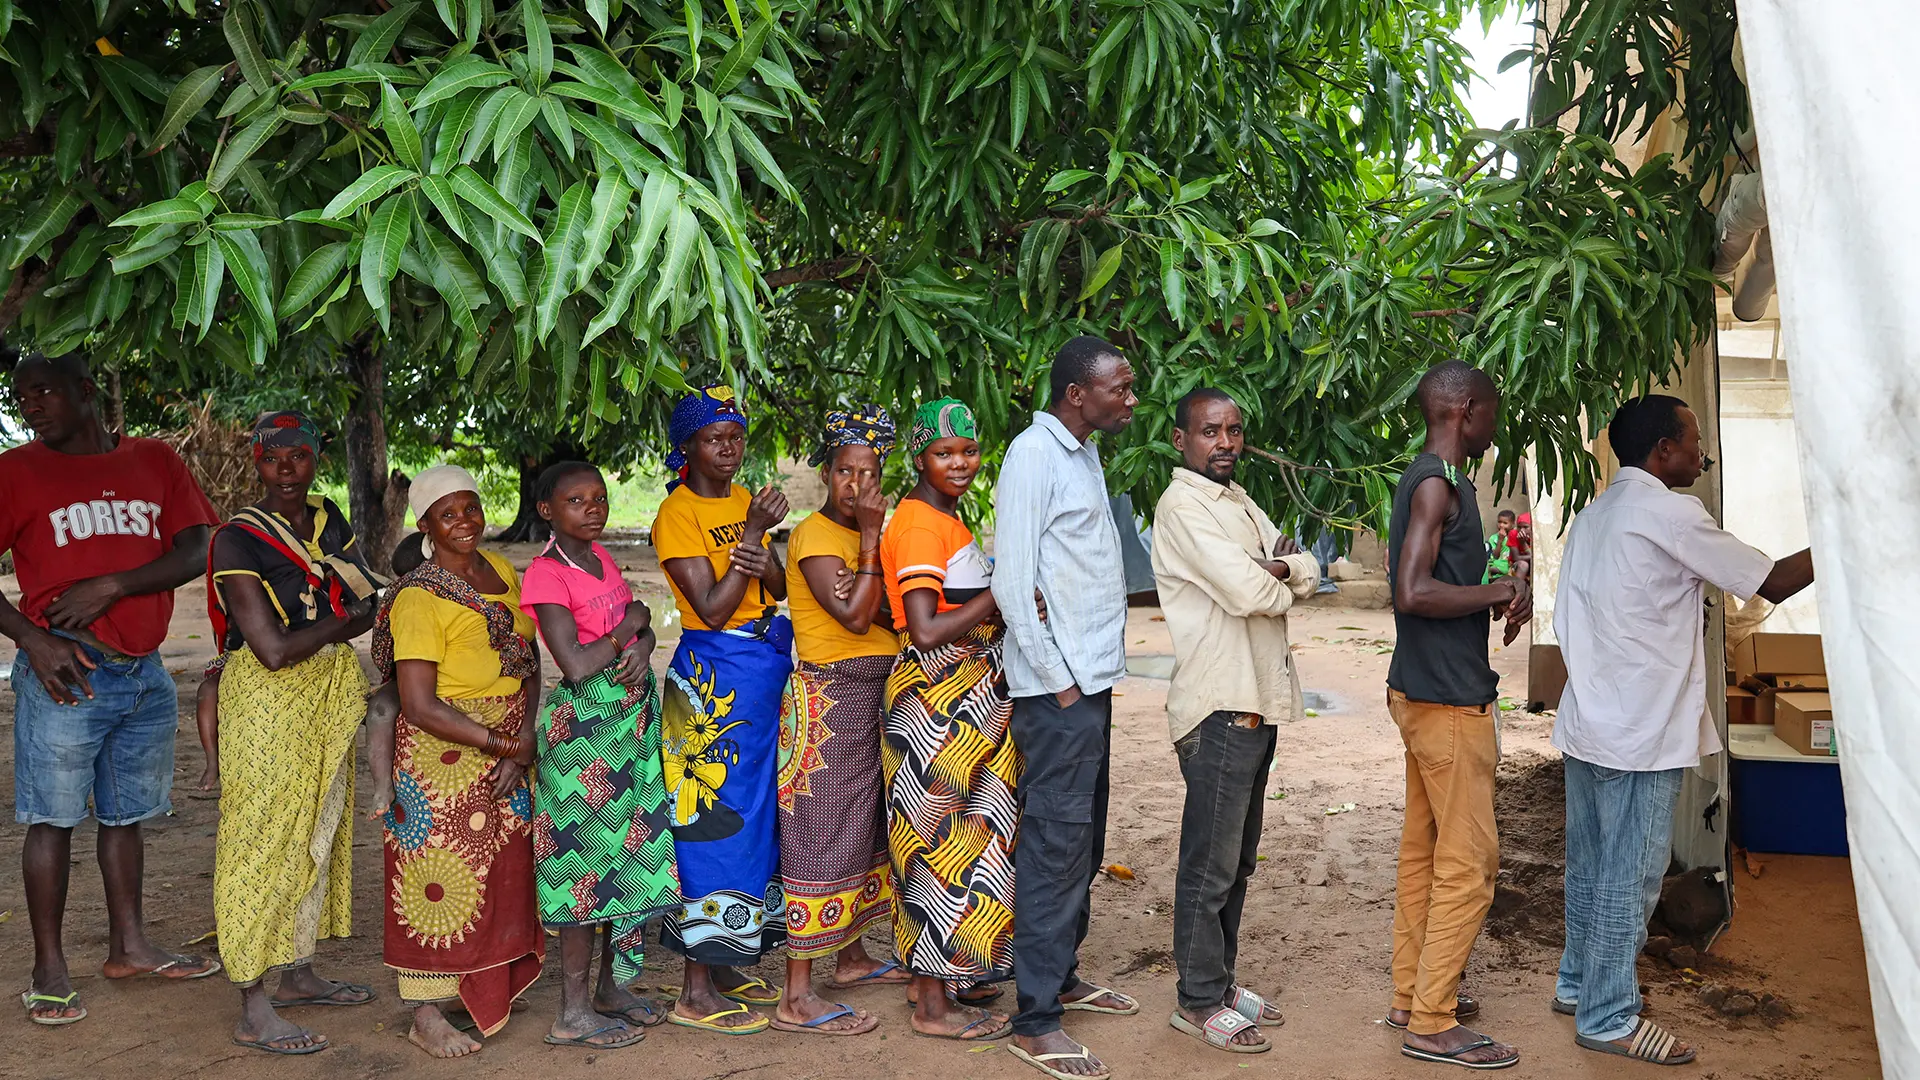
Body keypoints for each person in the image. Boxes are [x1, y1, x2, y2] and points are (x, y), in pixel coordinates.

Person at [1552, 396, 1813, 1066]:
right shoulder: (1669, 514)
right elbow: (1773, 582)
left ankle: (1580, 984)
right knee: (1631, 877)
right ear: (1662, 451)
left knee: (1591, 866)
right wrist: (1848, 533)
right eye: (1694, 442)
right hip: (1641, 731)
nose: (1703, 454)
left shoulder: (1593, 516)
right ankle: (1609, 1017)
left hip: (1591, 722)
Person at [0, 352, 223, 1027]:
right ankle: (49, 969)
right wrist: (32, 640)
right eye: (20, 395)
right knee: (53, 818)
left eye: (43, 391)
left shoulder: (153, 461)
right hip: (65, 671)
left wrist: (117, 584)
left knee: (128, 815)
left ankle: (128, 947)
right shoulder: (14, 473)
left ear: (86, 391)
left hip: (143, 671)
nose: (30, 405)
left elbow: (198, 545)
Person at [206, 412, 387, 1054]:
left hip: (329, 692)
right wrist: (349, 623)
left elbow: (368, 590)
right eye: (271, 458)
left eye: (299, 457)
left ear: (316, 460)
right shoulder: (237, 539)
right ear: (255, 463)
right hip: (269, 699)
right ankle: (254, 1002)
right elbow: (273, 649)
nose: (286, 470)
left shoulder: (327, 517)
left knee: (318, 825)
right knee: (260, 841)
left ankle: (297, 972)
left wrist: (361, 615)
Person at [1149, 389, 1320, 1054]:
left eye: (1234, 430)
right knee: (1210, 864)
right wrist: (1279, 572)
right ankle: (1195, 1001)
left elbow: (1301, 562)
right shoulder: (1182, 506)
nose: (1224, 443)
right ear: (1181, 440)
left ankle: (1218, 984)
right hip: (1219, 706)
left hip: (1255, 700)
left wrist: (1281, 566)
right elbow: (1251, 591)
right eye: (1209, 432)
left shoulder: (1238, 499)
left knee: (1238, 861)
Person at [992, 336, 1140, 1080]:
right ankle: (1035, 1019)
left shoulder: (1082, 455)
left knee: (1082, 840)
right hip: (1059, 694)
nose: (1131, 398)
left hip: (1091, 682)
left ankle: (1064, 975)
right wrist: (1060, 683)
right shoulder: (1032, 455)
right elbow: (1014, 582)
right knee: (1054, 846)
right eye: (1120, 387)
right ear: (1078, 394)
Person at [1383, 360, 1530, 1070]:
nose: (1496, 423)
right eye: (1492, 410)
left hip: (1424, 688)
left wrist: (1494, 593)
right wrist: (1495, 587)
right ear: (1465, 410)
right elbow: (1412, 591)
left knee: (1427, 850)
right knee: (1471, 863)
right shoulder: (1438, 483)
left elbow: (1438, 583)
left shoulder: (1439, 480)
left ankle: (1414, 995)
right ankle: (1433, 1021)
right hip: (1444, 699)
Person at [373, 465, 544, 1058]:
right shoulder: (418, 598)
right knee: (439, 876)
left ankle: (481, 982)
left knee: (500, 871)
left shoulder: (498, 570)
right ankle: (426, 1012)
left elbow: (527, 653)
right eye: (449, 514)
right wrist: (503, 745)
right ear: (425, 524)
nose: (465, 522)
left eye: (471, 508)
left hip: (506, 743)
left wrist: (523, 736)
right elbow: (418, 705)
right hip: (442, 753)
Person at [520, 461, 682, 1049]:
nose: (592, 508)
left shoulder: (599, 559)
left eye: (599, 497)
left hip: (628, 732)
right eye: (575, 501)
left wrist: (641, 637)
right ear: (547, 512)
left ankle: (611, 990)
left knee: (628, 861)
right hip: (585, 736)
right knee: (581, 872)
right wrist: (632, 626)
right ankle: (572, 1012)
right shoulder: (544, 575)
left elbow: (627, 630)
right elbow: (578, 663)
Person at [650, 385, 793, 1035]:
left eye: (736, 435)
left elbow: (777, 586)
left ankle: (731, 957)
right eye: (715, 437)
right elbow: (708, 608)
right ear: (688, 448)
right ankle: (694, 987)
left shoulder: (741, 502)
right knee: (710, 824)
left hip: (757, 671)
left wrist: (766, 549)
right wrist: (758, 534)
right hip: (711, 683)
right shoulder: (676, 514)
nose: (729, 447)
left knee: (756, 824)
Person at [881, 398, 1018, 1042]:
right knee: (933, 856)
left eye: (967, 451)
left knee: (956, 851)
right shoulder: (916, 527)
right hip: (937, 710)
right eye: (944, 453)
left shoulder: (943, 518)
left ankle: (934, 985)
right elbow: (926, 628)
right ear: (919, 458)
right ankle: (932, 1010)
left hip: (967, 706)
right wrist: (1005, 590)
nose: (958, 463)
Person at [771, 407, 909, 1037]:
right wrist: (874, 542)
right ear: (826, 474)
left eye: (871, 473)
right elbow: (858, 617)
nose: (858, 485)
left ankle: (849, 958)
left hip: (873, 692)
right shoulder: (815, 538)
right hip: (830, 700)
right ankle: (795, 994)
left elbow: (892, 616)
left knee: (864, 830)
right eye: (846, 472)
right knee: (820, 835)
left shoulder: (864, 536)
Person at [1482, 509, 1516, 583]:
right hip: (1497, 562)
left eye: (1505, 523)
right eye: (1499, 522)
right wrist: (1500, 540)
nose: (1501, 525)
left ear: (1513, 524)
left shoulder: (1514, 536)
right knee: (1489, 566)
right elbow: (1495, 556)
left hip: (1507, 563)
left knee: (1508, 567)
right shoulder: (1494, 538)